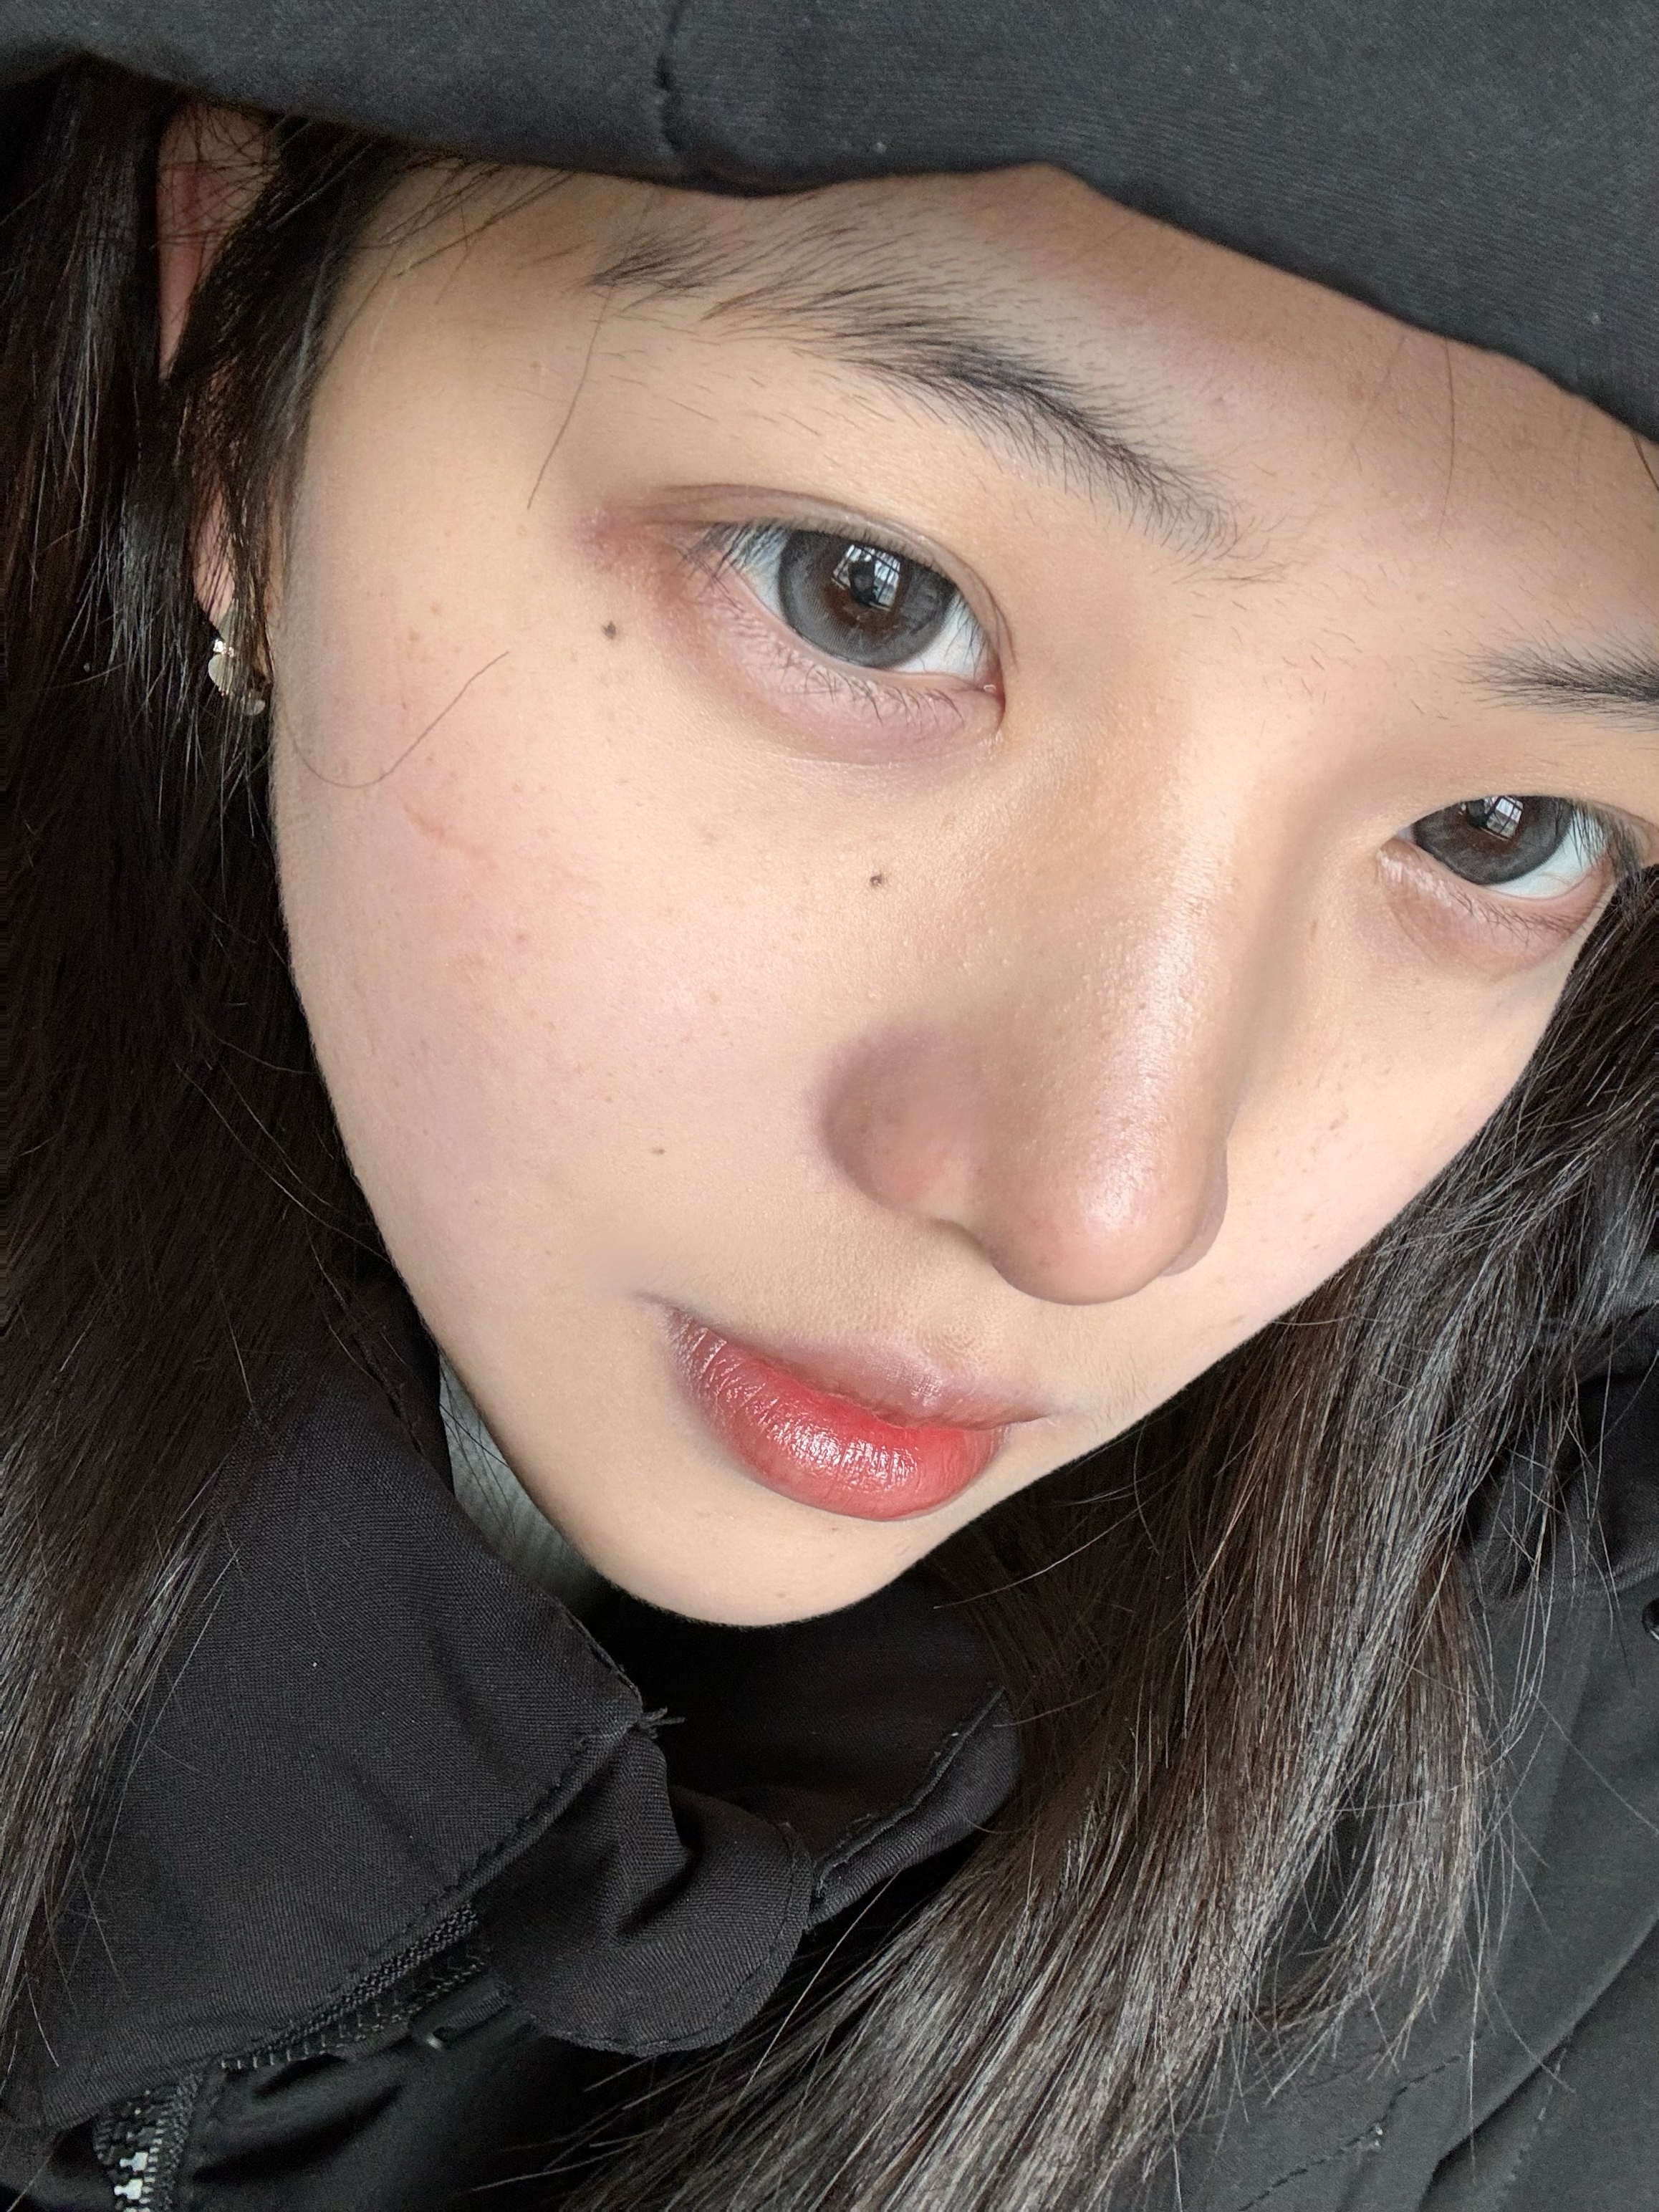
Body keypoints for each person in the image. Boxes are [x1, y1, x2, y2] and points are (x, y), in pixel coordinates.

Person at [2, 9, 1654, 2209]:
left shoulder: (1570, 1875)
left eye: (1497, 832)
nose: (1102, 1206)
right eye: (862, 600)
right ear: (230, 383)